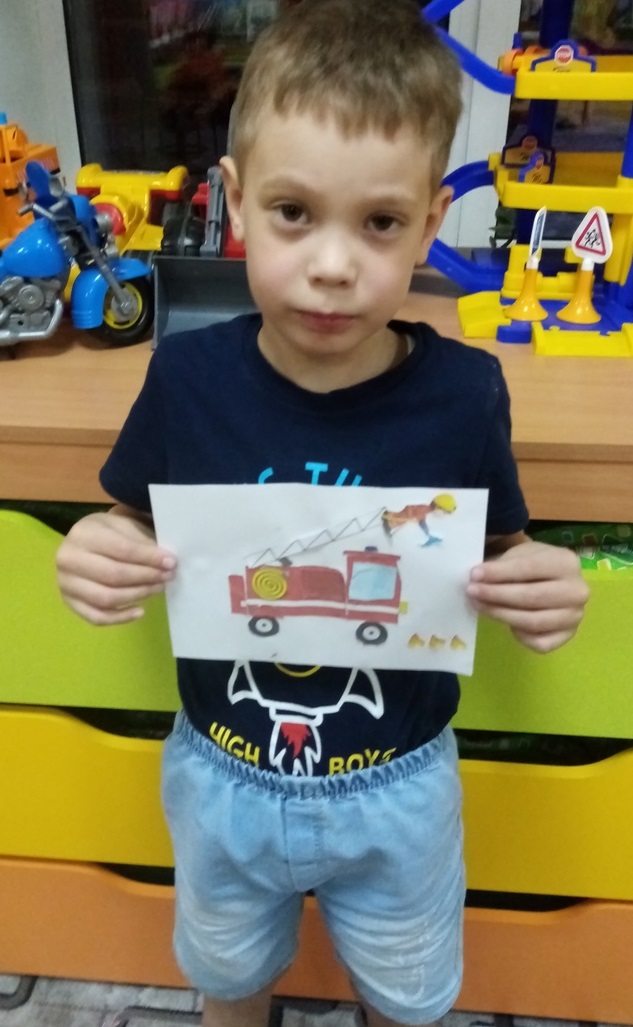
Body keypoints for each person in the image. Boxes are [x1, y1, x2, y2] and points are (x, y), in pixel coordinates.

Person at [56, 2, 589, 1025]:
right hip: (221, 779)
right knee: (227, 978)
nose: (334, 264)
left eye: (379, 222)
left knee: (407, 995)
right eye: (294, 212)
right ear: (235, 201)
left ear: (430, 222)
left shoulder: (465, 393)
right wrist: (98, 545)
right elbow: (129, 516)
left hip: (400, 786)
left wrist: (542, 582)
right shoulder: (187, 376)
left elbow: (502, 550)